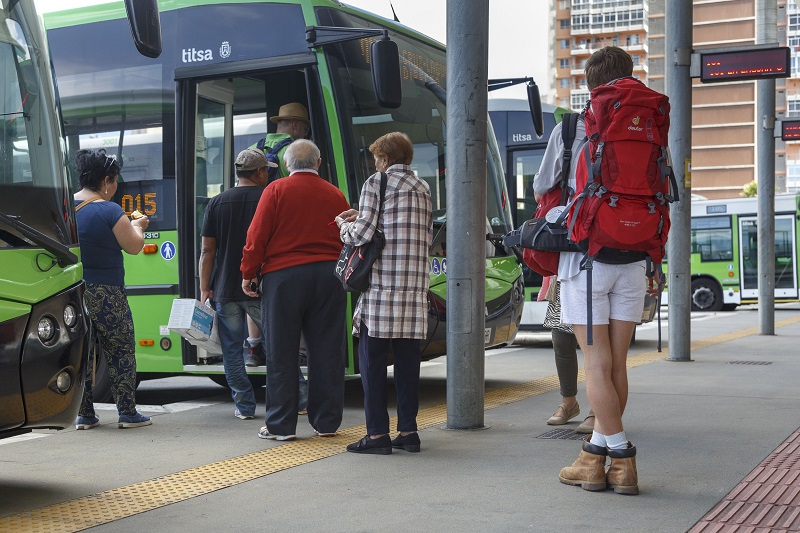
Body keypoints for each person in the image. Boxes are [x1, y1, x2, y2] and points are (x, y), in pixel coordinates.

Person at [535, 47, 655, 495]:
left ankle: (621, 457)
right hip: (635, 258)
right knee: (617, 364)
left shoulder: (576, 125)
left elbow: (543, 185)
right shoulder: (647, 121)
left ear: (590, 83)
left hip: (587, 259)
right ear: (628, 76)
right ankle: (594, 456)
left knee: (595, 363)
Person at [241, 139, 350, 441]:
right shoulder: (335, 193)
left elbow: (256, 235)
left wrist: (248, 273)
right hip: (329, 277)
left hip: (283, 278)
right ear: (318, 164)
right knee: (327, 349)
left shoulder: (275, 191)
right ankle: (326, 423)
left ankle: (281, 425)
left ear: (288, 165)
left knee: (282, 351)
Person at [336, 132, 433, 455]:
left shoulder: (376, 183)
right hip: (414, 292)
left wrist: (342, 224)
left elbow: (362, 234)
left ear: (384, 159)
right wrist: (363, 216)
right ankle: (408, 431)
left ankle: (377, 435)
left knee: (372, 366)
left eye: (377, 157)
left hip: (381, 292)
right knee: (408, 367)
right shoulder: (423, 188)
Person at [72, 149, 152, 430]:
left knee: (82, 350)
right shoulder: (109, 210)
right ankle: (127, 412)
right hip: (107, 293)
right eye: (115, 181)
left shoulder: (66, 209)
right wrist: (138, 225)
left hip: (74, 292)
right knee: (120, 348)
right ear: (106, 180)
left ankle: (83, 414)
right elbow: (133, 246)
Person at [199, 149, 276, 420]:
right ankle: (298, 397)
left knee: (232, 352)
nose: (268, 174)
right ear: (258, 173)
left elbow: (207, 251)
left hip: (225, 289)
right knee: (278, 345)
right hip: (262, 286)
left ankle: (244, 407)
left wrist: (205, 287)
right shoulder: (268, 198)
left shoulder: (216, 203)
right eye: (266, 170)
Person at [541, 276, 595, 434]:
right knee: (561, 341)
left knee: (596, 346)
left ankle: (598, 409)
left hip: (597, 272)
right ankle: (568, 401)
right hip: (565, 274)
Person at [258, 102, 310, 179]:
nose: (305, 134)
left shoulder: (251, 150)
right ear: (295, 125)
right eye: (305, 129)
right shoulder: (299, 152)